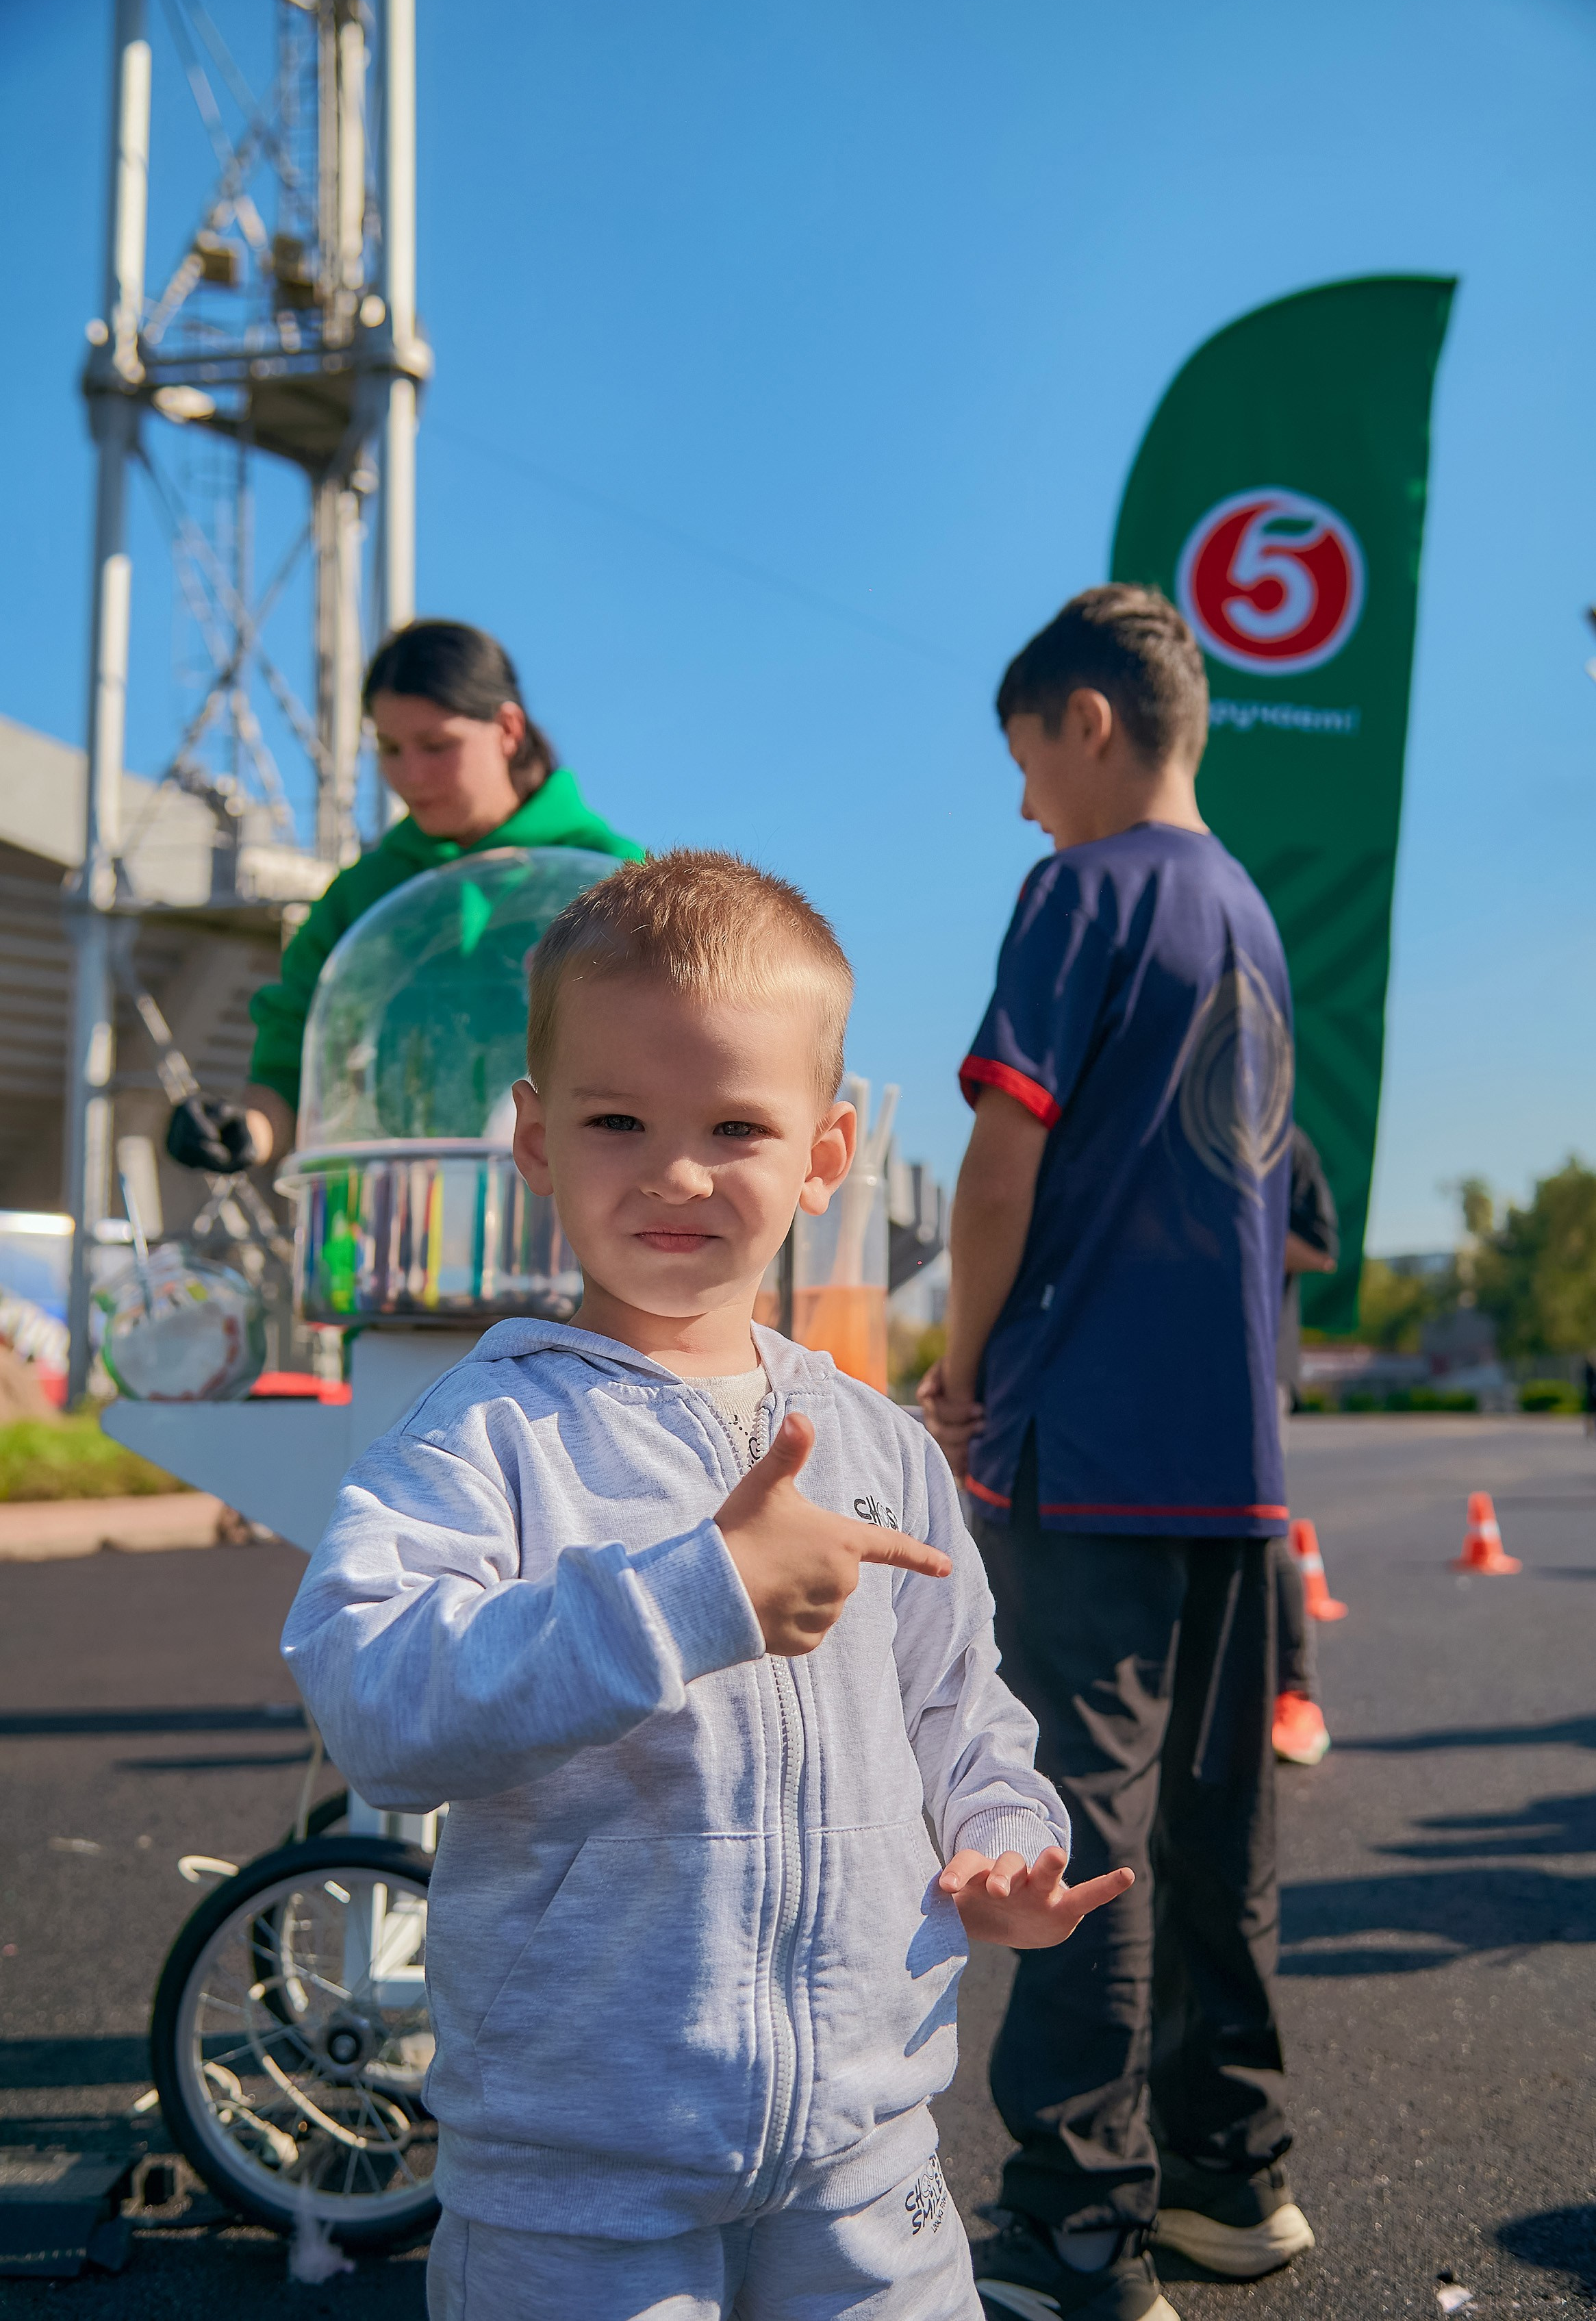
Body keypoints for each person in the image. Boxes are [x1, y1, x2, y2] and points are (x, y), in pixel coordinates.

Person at [281, 850, 1133, 2321]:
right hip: (574, 2187)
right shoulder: (493, 1432)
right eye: (618, 1120)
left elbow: (957, 1701)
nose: (675, 1171)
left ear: (824, 1152)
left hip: (868, 2166)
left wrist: (1002, 1831)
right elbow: (375, 1696)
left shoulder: (874, 1443)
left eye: (736, 1124)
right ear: (536, 1140)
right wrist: (692, 1594)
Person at [917, 586, 1314, 2321]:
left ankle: (1076, 2233)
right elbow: (1288, 1228)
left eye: (1024, 758)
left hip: (1092, 1437)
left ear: (1088, 721)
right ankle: (1234, 2183)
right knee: (1220, 1829)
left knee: (1074, 1831)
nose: (1023, 803)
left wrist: (958, 1362)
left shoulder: (1082, 893)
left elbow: (1004, 1161)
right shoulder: (1253, 917)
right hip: (1239, 1456)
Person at [179, 620, 643, 1170]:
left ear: (508, 729)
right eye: (390, 748)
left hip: (559, 1217)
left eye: (436, 745)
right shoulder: (363, 893)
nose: (411, 774)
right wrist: (244, 1132)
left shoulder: (614, 880)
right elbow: (295, 1051)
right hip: (391, 1218)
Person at [1272, 1127, 1339, 1768]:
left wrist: (1229, 1225)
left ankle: (1296, 1694)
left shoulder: (1285, 1142)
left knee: (1259, 1531)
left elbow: (1320, 1251)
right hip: (1160, 1372)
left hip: (1254, 1368)